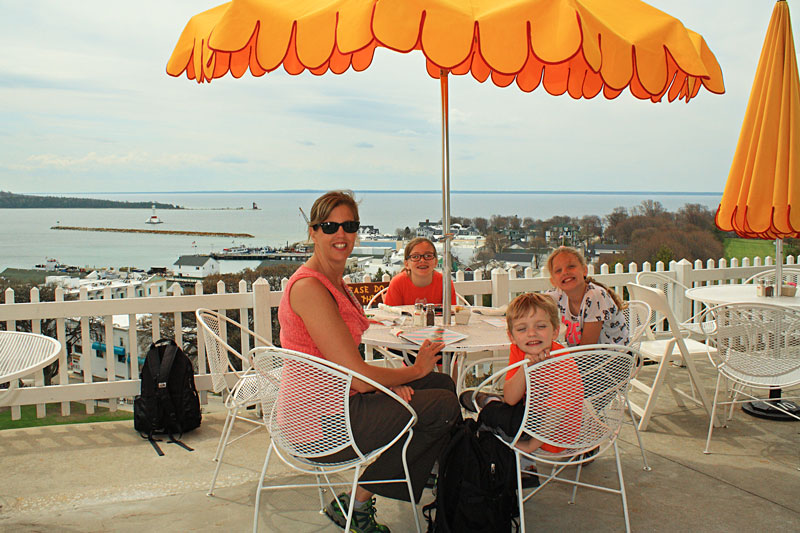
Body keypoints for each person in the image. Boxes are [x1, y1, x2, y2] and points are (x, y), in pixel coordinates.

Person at [278, 190, 461, 533]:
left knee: (442, 384)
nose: (341, 234)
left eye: (349, 225)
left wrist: (398, 385)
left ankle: (426, 468)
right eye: (330, 226)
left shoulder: (336, 283)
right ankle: (357, 502)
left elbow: (351, 363)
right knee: (441, 407)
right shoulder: (309, 288)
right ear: (313, 231)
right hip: (319, 424)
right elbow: (358, 377)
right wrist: (414, 371)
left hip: (341, 399)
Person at [459, 293, 581, 456]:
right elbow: (511, 398)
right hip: (530, 411)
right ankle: (493, 402)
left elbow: (555, 412)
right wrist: (525, 367)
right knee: (504, 409)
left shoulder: (561, 364)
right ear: (512, 336)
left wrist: (531, 445)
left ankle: (491, 403)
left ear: (555, 331)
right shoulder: (520, 350)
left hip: (553, 436)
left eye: (541, 326)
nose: (532, 334)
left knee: (489, 416)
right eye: (522, 329)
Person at [545, 246, 628, 347]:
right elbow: (533, 303)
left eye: (571, 266)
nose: (565, 272)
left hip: (613, 359)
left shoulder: (595, 296)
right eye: (558, 270)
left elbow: (587, 349)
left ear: (584, 270)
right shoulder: (559, 294)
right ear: (553, 281)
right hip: (587, 358)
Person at [382, 237, 457, 307]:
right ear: (406, 264)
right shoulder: (397, 283)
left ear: (436, 262)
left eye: (428, 255)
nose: (422, 260)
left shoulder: (445, 283)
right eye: (415, 257)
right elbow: (391, 317)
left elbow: (452, 315)